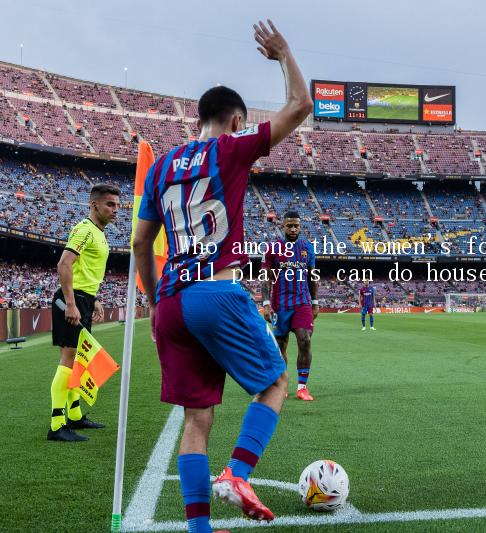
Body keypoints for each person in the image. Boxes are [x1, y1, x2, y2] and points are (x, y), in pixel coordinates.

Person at [133, 20, 312, 530]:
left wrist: (151, 300)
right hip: (215, 289)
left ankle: (199, 528)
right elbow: (300, 105)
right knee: (276, 380)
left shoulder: (163, 165)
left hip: (170, 302)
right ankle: (237, 472)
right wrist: (283, 54)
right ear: (235, 120)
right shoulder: (230, 149)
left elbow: (142, 242)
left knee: (197, 417)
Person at [48, 183, 119, 442]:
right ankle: (57, 424)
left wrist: (94, 299)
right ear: (94, 204)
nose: (115, 210)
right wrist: (70, 302)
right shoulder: (84, 230)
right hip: (73, 300)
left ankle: (75, 415)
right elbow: (64, 264)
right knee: (68, 360)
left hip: (84, 299)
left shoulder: (99, 233)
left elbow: (85, 271)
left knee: (80, 359)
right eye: (110, 204)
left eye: (117, 206)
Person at [261, 211, 318, 401]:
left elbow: (312, 276)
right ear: (283, 226)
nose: (293, 229)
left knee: (305, 340)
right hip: (280, 304)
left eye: (296, 225)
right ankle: (282, 385)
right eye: (289, 225)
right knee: (280, 346)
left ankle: (302, 388)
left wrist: (315, 302)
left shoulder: (307, 247)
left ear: (300, 226)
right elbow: (266, 278)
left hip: (302, 302)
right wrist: (266, 303)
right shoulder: (273, 248)